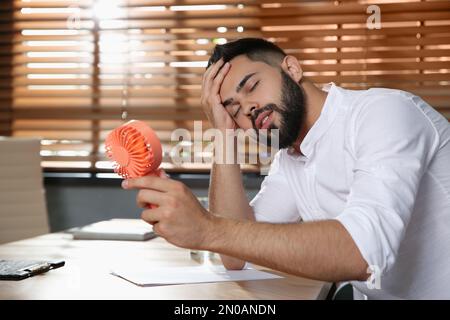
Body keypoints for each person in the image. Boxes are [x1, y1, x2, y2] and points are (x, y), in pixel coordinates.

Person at [122, 38, 450, 299]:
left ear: (291, 68)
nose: (247, 108)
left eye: (251, 86)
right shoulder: (290, 159)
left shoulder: (383, 113)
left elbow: (363, 253)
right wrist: (224, 136)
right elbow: (235, 256)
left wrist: (207, 228)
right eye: (233, 110)